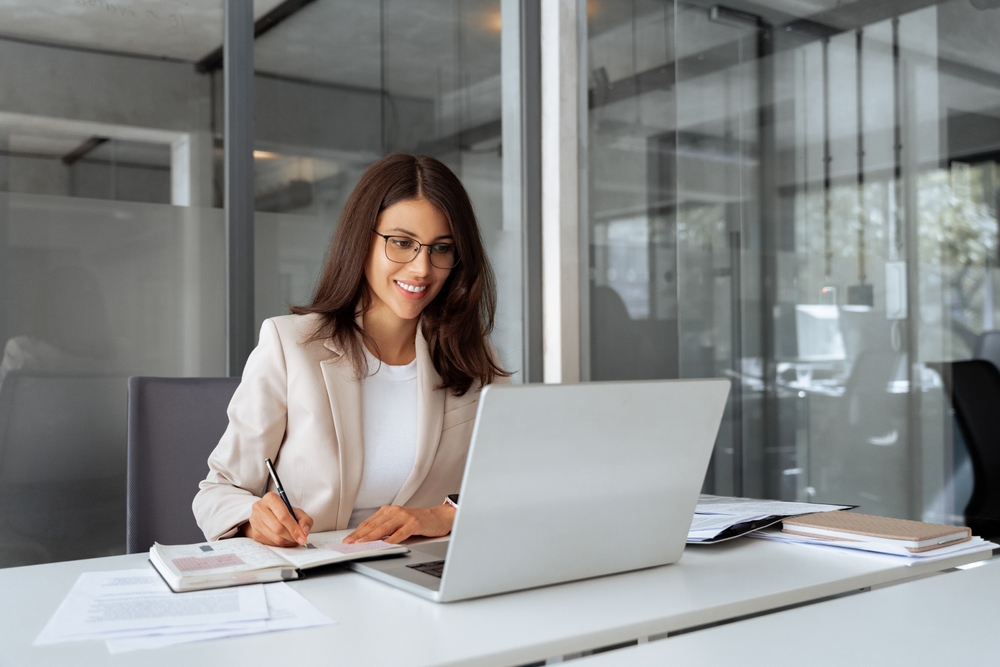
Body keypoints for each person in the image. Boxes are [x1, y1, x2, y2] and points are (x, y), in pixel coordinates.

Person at [193, 154, 509, 547]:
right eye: (402, 243)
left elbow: (519, 483)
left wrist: (446, 515)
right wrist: (253, 522)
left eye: (441, 248)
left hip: (421, 572)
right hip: (315, 570)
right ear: (363, 239)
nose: (422, 269)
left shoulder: (475, 358)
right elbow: (218, 490)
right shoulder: (290, 346)